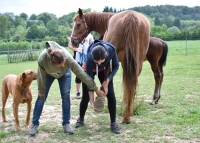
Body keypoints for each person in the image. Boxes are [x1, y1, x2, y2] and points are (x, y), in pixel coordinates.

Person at [29, 41, 105, 136]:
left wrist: (95, 88)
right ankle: (34, 124)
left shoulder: (67, 58)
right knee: (41, 97)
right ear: (53, 63)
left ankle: (66, 124)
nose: (63, 65)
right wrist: (41, 90)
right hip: (48, 75)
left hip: (65, 74)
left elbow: (81, 74)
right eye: (60, 65)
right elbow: (41, 76)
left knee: (66, 97)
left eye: (64, 63)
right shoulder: (43, 59)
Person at [75, 40, 121, 134]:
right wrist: (92, 101)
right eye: (97, 61)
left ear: (106, 56)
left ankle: (113, 123)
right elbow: (89, 81)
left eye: (101, 61)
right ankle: (81, 118)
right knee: (86, 96)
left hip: (104, 70)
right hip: (89, 69)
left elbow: (116, 66)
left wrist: (106, 81)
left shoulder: (111, 50)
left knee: (110, 93)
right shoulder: (89, 58)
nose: (99, 63)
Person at [68, 33, 94, 99]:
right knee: (79, 75)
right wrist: (76, 50)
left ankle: (88, 91)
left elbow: (93, 43)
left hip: (87, 57)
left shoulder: (89, 35)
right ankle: (77, 92)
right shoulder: (75, 35)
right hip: (78, 58)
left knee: (87, 74)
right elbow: (69, 45)